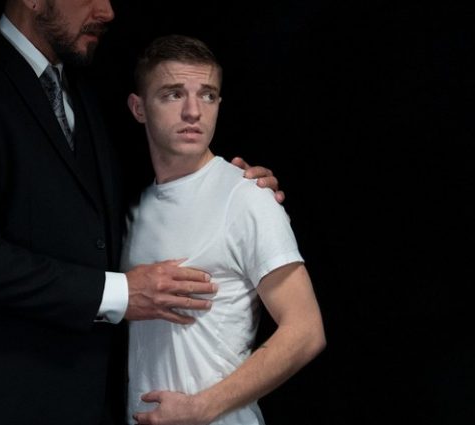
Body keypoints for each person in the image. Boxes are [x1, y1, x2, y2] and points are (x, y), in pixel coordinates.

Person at [0, 1, 285, 423]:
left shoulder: (87, 87)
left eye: (207, 96)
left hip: (106, 404)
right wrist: (119, 293)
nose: (107, 11)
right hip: (9, 400)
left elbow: (136, 190)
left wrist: (232, 188)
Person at [122, 35, 326, 425]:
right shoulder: (132, 209)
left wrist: (202, 407)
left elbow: (306, 330)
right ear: (139, 108)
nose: (193, 111)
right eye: (173, 94)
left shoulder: (247, 196)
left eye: (208, 95)